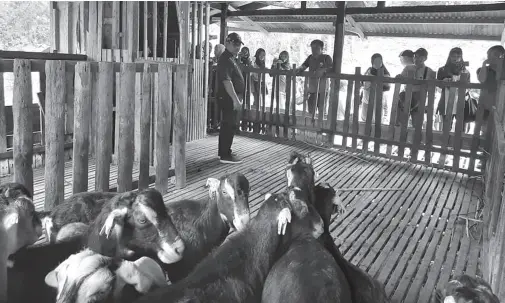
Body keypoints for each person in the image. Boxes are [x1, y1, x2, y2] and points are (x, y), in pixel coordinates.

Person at [216, 33, 245, 164]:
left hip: (230, 97)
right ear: (227, 43)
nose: (237, 47)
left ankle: (224, 151)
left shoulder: (231, 58)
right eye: (235, 44)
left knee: (229, 124)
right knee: (228, 124)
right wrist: (235, 99)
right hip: (228, 97)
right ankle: (224, 155)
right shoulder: (226, 59)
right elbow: (227, 81)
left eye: (239, 45)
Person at [397, 48, 435, 127]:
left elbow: (431, 89)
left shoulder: (429, 71)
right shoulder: (408, 68)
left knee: (417, 125)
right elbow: (401, 78)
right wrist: (399, 77)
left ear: (424, 58)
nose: (415, 58)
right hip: (406, 97)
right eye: (415, 56)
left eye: (418, 57)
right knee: (401, 123)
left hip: (420, 99)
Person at [296, 39, 333, 117]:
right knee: (311, 112)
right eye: (312, 48)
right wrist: (299, 69)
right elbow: (304, 65)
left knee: (321, 111)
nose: (314, 50)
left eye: (317, 48)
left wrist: (323, 70)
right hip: (312, 89)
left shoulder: (326, 58)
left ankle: (320, 127)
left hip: (322, 90)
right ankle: (311, 127)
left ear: (322, 49)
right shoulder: (310, 57)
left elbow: (332, 69)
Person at [436, 47, 470, 130]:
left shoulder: (466, 72)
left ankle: (459, 143)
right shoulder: (442, 70)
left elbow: (469, 88)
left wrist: (462, 84)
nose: (456, 58)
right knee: (445, 127)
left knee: (461, 128)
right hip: (445, 101)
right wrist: (444, 81)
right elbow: (438, 87)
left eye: (458, 56)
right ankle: (444, 142)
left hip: (461, 102)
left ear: (461, 57)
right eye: (453, 56)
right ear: (449, 57)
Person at [477, 45, 505, 127]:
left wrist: (499, 65)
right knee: (484, 130)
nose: (492, 57)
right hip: (486, 106)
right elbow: (481, 79)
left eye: (496, 55)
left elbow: (499, 78)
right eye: (489, 54)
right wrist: (484, 64)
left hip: (501, 107)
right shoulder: (482, 69)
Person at [360, 53, 391, 123]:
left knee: (376, 120)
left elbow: (387, 87)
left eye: (379, 61)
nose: (377, 63)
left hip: (378, 99)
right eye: (375, 61)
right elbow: (363, 84)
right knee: (365, 120)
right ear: (372, 62)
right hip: (367, 98)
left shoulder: (385, 73)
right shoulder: (369, 70)